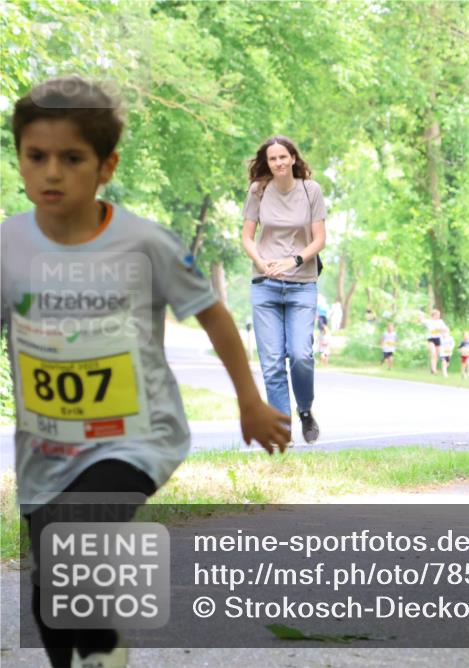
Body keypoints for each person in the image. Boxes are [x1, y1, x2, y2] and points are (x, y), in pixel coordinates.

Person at [1, 77, 291, 668]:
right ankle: (96, 653)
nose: (52, 172)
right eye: (37, 156)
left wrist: (250, 402)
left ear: (106, 166)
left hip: (136, 437)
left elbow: (214, 316)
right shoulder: (9, 248)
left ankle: (102, 648)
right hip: (45, 449)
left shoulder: (144, 244)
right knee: (48, 596)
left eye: (72, 158)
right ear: (20, 159)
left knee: (73, 544)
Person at [241, 136, 326, 444]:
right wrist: (262, 262)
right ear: (267, 162)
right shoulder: (258, 191)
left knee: (301, 355)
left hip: (302, 284)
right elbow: (248, 237)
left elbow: (319, 240)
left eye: (282, 157)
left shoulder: (310, 190)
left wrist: (294, 260)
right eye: (272, 158)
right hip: (265, 286)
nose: (277, 162)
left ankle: (304, 410)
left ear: (293, 158)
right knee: (272, 361)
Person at [421, 308, 447, 374]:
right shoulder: (428, 321)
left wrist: (442, 332)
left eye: (439, 315)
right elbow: (421, 321)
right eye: (437, 315)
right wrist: (420, 316)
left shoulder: (440, 321)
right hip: (431, 339)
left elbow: (445, 329)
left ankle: (433, 368)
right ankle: (433, 370)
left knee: (437, 355)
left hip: (437, 339)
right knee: (433, 353)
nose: (438, 316)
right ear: (433, 315)